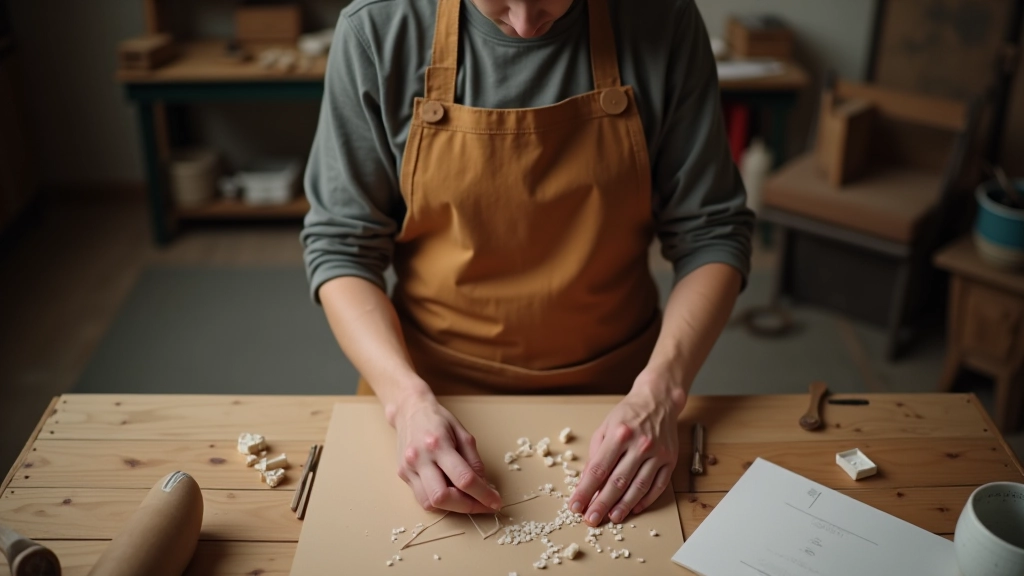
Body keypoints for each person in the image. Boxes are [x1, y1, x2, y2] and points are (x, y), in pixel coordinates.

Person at [301, 0, 754, 527]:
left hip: (622, 393)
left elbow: (712, 233)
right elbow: (342, 248)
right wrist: (405, 401)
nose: (523, 24)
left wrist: (664, 390)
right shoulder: (378, 29)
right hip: (427, 391)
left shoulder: (663, 19)